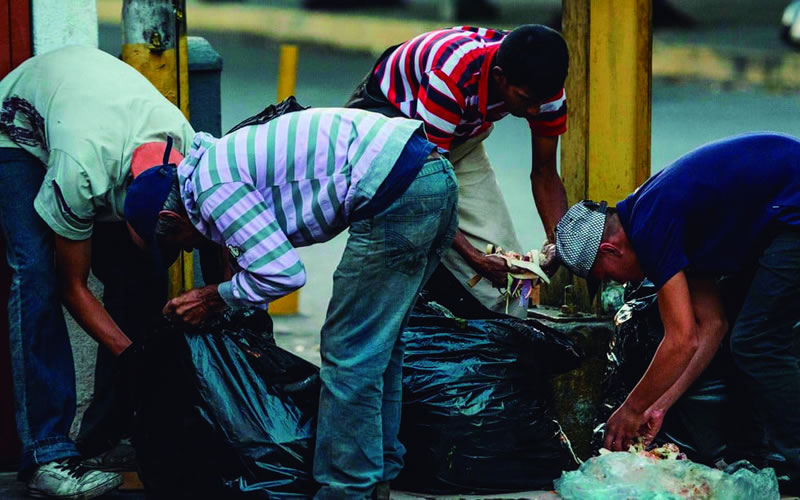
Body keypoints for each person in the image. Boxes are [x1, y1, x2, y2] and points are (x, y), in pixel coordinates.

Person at [123, 107, 459, 499]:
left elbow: (283, 273)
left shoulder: (214, 190)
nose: (186, 251)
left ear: (171, 217)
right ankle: (377, 474)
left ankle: (347, 489)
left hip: (400, 189)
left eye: (176, 245)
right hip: (432, 175)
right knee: (379, 348)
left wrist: (213, 297)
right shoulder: (210, 169)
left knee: (348, 350)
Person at [0, 45, 195, 498]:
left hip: (89, 117)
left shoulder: (189, 151)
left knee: (141, 276)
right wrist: (135, 355)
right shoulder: (81, 171)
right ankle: (47, 454)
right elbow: (73, 286)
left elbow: (215, 239)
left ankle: (108, 435)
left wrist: (226, 299)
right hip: (17, 132)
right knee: (37, 274)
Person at [554, 132, 800, 486]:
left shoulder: (651, 221)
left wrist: (631, 410)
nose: (614, 284)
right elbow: (711, 326)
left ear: (610, 250)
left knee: (757, 342)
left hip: (792, 210)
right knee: (742, 336)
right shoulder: (656, 218)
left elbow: (681, 338)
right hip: (779, 216)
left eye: (604, 276)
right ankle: (757, 455)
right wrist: (659, 405)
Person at [346, 24, 568, 318]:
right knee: (406, 254)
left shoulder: (543, 90)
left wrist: (558, 243)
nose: (536, 111)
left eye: (542, 102)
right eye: (527, 100)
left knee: (512, 290)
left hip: (455, 140)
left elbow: (545, 173)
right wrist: (476, 259)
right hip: (393, 137)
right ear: (500, 77)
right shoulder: (451, 75)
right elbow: (429, 188)